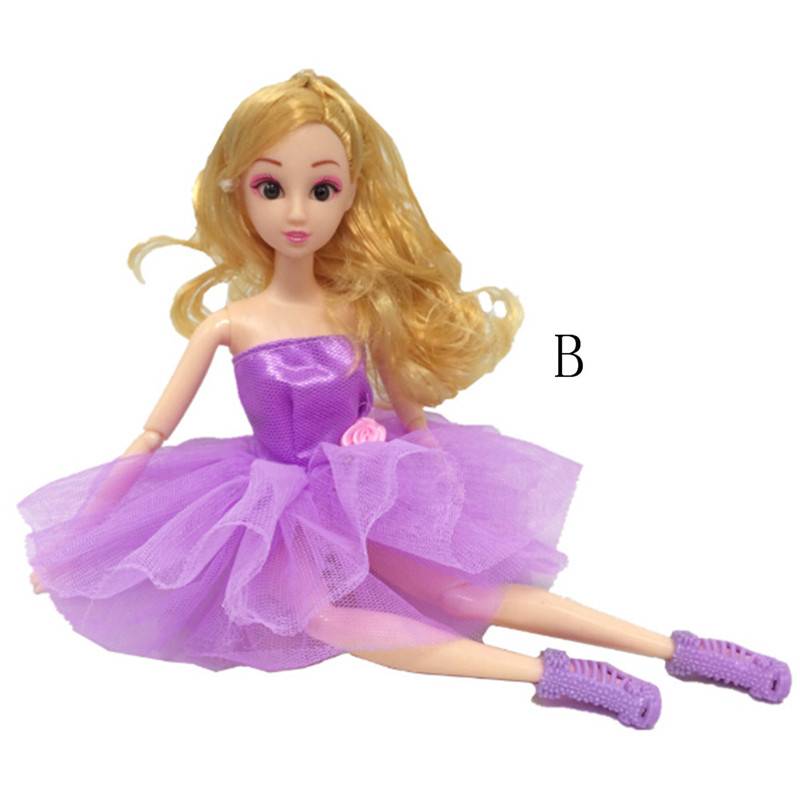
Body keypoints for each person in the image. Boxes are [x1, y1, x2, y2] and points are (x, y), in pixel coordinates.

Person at [20, 70, 790, 729]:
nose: (297, 212)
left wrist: (427, 469)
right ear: (238, 191)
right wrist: (78, 543)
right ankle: (553, 675)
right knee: (323, 616)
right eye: (271, 187)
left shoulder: (362, 311)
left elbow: (409, 412)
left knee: (461, 590)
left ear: (351, 195)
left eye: (322, 189)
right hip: (269, 506)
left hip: (367, 486)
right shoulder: (230, 325)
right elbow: (151, 435)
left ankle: (679, 649)